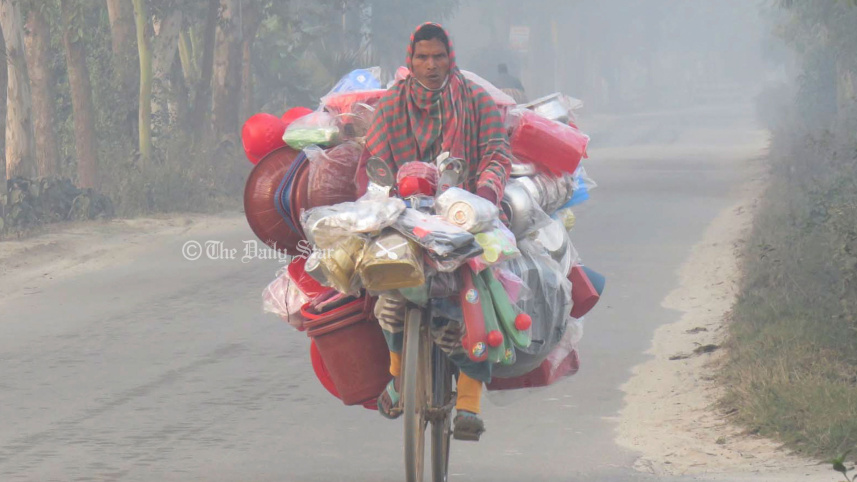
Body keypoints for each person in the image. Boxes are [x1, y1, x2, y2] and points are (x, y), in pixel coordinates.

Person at [362, 22, 513, 442]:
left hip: (464, 217)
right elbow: (374, 165)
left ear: (451, 58)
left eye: (438, 57)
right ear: (409, 61)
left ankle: (468, 400)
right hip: (406, 219)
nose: (431, 66)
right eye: (422, 58)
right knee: (389, 291)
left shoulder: (475, 100)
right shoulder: (391, 107)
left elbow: (498, 154)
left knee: (474, 293)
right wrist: (385, 203)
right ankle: (397, 376)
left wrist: (482, 199)